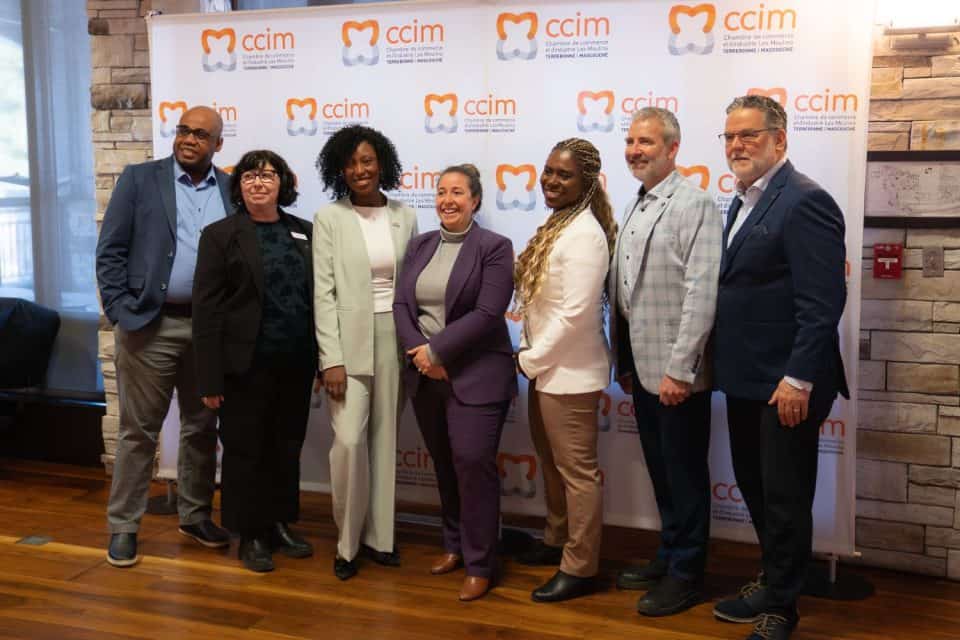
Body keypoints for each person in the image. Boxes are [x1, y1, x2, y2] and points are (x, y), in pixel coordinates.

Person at [712, 95, 849, 640]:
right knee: (757, 490)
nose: (736, 146)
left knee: (786, 498)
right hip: (747, 378)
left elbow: (822, 304)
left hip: (787, 383)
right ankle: (773, 579)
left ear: (780, 140)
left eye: (748, 135)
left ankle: (783, 607)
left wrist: (798, 378)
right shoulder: (743, 199)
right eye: (729, 137)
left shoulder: (806, 201)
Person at [96, 106, 233, 567]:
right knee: (139, 431)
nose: (189, 139)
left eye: (201, 134)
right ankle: (124, 526)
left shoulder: (232, 189)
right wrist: (118, 310)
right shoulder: (140, 179)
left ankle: (194, 515)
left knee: (201, 427)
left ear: (217, 144)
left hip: (209, 330)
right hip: (149, 326)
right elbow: (110, 249)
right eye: (183, 130)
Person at [608, 107, 722, 616]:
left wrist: (683, 368)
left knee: (685, 475)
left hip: (677, 373)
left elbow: (701, 294)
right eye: (630, 141)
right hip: (642, 366)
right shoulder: (636, 202)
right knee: (661, 472)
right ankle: (670, 553)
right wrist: (625, 362)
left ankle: (687, 573)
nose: (635, 149)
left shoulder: (695, 203)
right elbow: (628, 289)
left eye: (646, 142)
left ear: (673, 148)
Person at [192, 150, 319, 573]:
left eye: (267, 175)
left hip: (295, 363)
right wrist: (209, 378)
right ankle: (249, 534)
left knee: (286, 447)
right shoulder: (219, 235)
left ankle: (279, 522)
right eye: (249, 176)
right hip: (243, 367)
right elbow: (206, 311)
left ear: (283, 183)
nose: (258, 183)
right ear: (238, 186)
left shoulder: (305, 232)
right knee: (247, 451)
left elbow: (316, 300)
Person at [393, 164, 516, 601]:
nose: (448, 199)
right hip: (426, 375)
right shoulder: (420, 245)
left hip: (478, 374)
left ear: (475, 200)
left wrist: (437, 351)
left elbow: (487, 313)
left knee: (472, 464)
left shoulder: (495, 247)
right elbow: (401, 304)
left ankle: (482, 563)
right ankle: (454, 546)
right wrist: (422, 356)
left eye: (458, 192)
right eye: (441, 191)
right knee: (445, 464)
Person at [313, 125, 418, 580]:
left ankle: (381, 539)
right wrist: (330, 358)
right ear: (341, 169)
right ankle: (346, 544)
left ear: (383, 164)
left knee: (383, 441)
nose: (361, 169)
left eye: (368, 161)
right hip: (346, 342)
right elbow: (323, 292)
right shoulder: (329, 218)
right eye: (352, 162)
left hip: (393, 339)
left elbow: (411, 287)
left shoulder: (404, 216)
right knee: (350, 443)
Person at [514, 138, 617, 602]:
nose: (552, 181)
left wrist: (532, 360)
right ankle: (556, 540)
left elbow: (576, 313)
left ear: (587, 182)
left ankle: (580, 566)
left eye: (565, 175)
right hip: (547, 372)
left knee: (578, 474)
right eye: (549, 171)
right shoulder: (561, 223)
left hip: (569, 375)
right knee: (552, 466)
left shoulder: (586, 234)